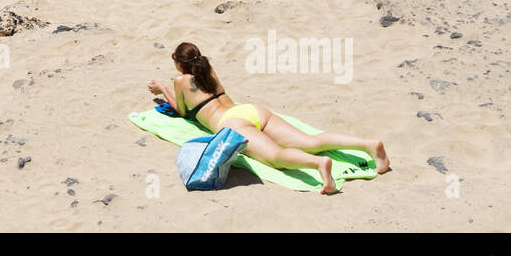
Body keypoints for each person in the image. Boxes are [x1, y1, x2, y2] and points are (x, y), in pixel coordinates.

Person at [148, 42, 389, 195]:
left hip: (232, 123)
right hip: (251, 110)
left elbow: (180, 110)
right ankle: (368, 145)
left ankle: (318, 165)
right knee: (309, 141)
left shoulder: (180, 81)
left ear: (179, 64)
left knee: (275, 157)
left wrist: (161, 88)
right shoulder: (208, 69)